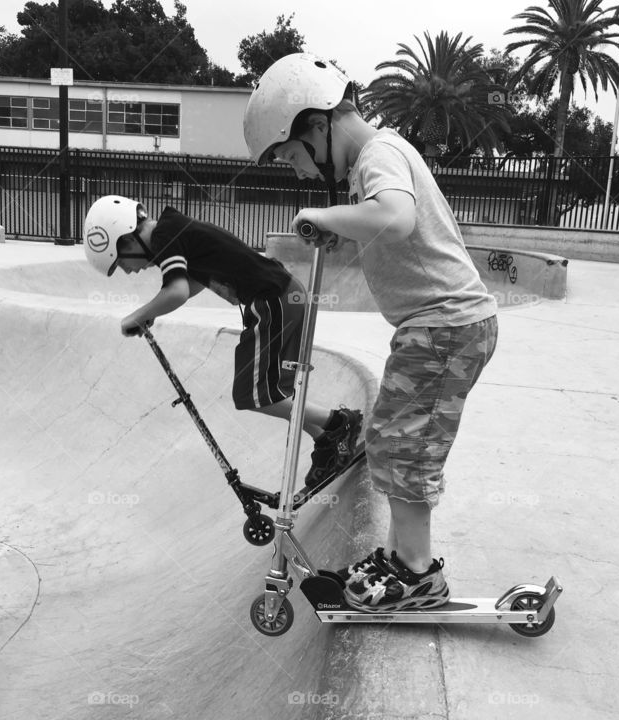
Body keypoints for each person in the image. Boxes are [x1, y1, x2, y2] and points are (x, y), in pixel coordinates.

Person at [243, 53, 499, 612]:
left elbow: (398, 216)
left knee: (407, 448)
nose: (299, 171)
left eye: (291, 157)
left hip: (446, 325)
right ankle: (398, 559)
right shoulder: (373, 162)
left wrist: (327, 215)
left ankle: (418, 575)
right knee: (391, 438)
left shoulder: (377, 153)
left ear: (317, 126)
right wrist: (346, 227)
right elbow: (386, 224)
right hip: (436, 327)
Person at [82, 195, 361, 487]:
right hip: (283, 297)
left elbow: (175, 291)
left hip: (272, 301)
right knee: (272, 391)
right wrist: (151, 314)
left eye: (121, 262)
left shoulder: (165, 235)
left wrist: (137, 315)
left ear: (126, 239)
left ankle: (340, 422)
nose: (129, 271)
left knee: (253, 395)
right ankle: (326, 439)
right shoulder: (175, 229)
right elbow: (195, 282)